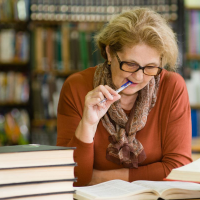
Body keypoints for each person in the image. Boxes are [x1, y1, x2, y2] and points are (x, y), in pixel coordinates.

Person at [57, 8, 192, 187]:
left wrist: (99, 178)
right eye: (130, 64)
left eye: (151, 67)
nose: (138, 77)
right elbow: (72, 177)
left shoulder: (172, 87)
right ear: (110, 53)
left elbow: (178, 169)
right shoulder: (76, 87)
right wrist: (88, 125)